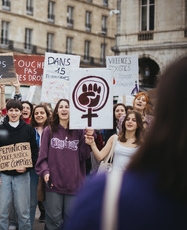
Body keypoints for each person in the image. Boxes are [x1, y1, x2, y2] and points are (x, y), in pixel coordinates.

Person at [64, 55, 187, 230]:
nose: (129, 122)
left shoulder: (103, 193)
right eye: (127, 119)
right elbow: (100, 157)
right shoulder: (107, 185)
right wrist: (91, 143)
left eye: (133, 120)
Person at [35, 99, 94, 230]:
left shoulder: (79, 131)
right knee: (53, 221)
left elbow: (84, 156)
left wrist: (89, 138)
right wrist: (45, 171)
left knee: (71, 220)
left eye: (67, 107)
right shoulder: (48, 131)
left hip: (74, 183)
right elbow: (42, 157)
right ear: (56, 111)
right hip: (53, 182)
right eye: (60, 107)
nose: (64, 109)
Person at [0, 99, 38, 230]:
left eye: (16, 110)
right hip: (3, 174)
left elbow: (34, 153)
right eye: (11, 110)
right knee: (1, 213)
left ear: (21, 112)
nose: (13, 113)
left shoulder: (28, 129)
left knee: (23, 213)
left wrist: (27, 167)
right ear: (6, 112)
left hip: (22, 175)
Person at [29, 104, 51, 227]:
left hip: (49, 169)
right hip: (33, 169)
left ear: (47, 115)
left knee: (49, 202)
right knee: (32, 201)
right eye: (36, 113)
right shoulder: (29, 130)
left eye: (42, 113)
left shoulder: (53, 129)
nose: (39, 115)